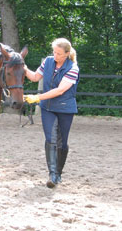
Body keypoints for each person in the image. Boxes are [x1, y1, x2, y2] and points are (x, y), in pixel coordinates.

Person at [24, 38, 79, 188]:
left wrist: (37, 97)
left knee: (62, 142)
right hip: (47, 108)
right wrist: (22, 67)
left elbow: (60, 90)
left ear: (66, 54)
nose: (55, 55)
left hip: (65, 108)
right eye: (54, 52)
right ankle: (52, 174)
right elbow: (35, 77)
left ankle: (58, 173)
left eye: (59, 53)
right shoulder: (48, 61)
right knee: (51, 138)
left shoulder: (73, 68)